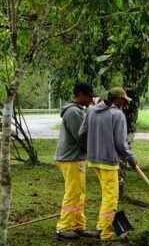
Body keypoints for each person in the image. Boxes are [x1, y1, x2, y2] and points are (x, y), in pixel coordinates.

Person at [79, 87, 137, 241]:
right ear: (117, 99)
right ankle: (105, 233)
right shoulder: (117, 115)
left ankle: (101, 227)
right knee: (111, 198)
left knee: (106, 195)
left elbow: (82, 133)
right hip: (108, 162)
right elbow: (120, 143)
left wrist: (92, 148)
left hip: (93, 160)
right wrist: (130, 158)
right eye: (123, 100)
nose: (124, 103)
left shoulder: (91, 111)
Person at [54, 83, 97, 240]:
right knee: (73, 193)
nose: (91, 100)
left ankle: (78, 226)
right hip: (71, 158)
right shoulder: (73, 112)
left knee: (79, 193)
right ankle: (63, 227)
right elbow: (81, 137)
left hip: (76, 158)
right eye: (88, 96)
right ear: (79, 94)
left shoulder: (78, 111)